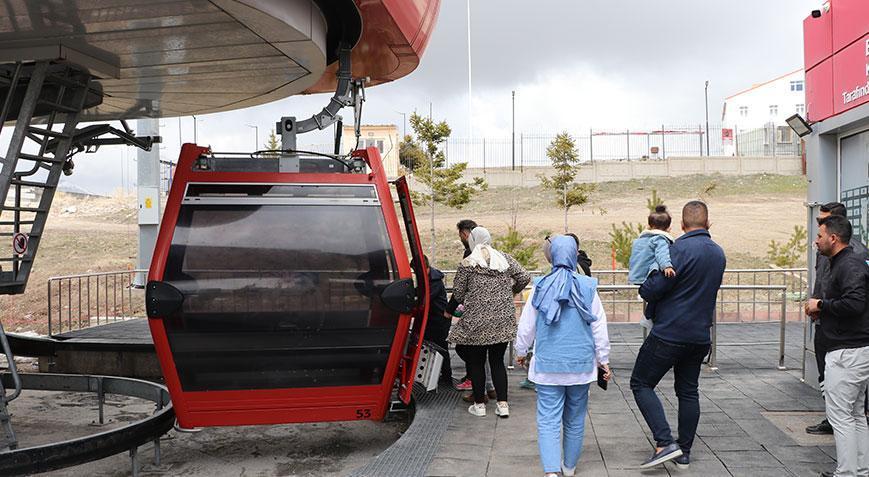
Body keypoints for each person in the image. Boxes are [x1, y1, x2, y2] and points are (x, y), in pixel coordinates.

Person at [630, 201, 726, 469]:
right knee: (688, 391)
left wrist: (645, 282)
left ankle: (664, 442)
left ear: (682, 225)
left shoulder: (676, 250)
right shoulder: (718, 254)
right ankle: (684, 452)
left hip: (669, 333)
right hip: (700, 336)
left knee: (641, 383)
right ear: (708, 223)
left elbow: (651, 289)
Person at [515, 235, 611, 477]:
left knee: (548, 419)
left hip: (547, 365)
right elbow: (599, 327)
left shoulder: (540, 286)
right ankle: (569, 467)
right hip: (581, 365)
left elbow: (527, 326)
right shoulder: (588, 287)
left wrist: (521, 351)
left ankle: (551, 471)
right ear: (575, 254)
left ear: (552, 256)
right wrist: (603, 359)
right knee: (575, 419)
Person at [805, 215, 869, 477]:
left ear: (833, 238)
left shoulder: (848, 265)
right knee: (855, 414)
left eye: (820, 236)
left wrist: (821, 305)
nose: (816, 241)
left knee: (841, 416)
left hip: (846, 352)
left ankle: (847, 473)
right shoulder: (847, 263)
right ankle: (860, 470)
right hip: (854, 350)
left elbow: (855, 303)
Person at [448, 226, 531, 417]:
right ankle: (503, 405)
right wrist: (511, 291)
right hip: (502, 320)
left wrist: (451, 308)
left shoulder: (468, 263)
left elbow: (458, 294)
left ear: (472, 241)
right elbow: (524, 276)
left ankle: (479, 405)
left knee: (476, 363)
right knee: (497, 362)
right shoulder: (504, 259)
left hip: (476, 322)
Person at [419, 256, 452, 384]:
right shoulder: (430, 278)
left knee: (441, 348)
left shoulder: (434, 282)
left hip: (439, 320)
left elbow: (425, 299)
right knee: (436, 347)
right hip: (433, 319)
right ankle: (438, 375)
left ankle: (446, 377)